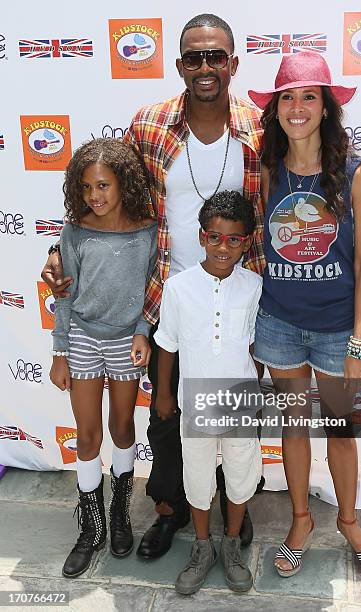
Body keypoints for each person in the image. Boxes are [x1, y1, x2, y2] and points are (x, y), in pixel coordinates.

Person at [42, 14, 264, 559]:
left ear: (232, 63)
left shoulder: (259, 128)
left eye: (216, 57)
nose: (206, 67)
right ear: (180, 65)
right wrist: (58, 248)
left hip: (238, 294)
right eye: (194, 57)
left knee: (229, 407)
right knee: (165, 414)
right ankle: (169, 511)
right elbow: (108, 192)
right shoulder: (149, 124)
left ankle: (236, 509)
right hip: (165, 295)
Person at [248, 51, 361, 576]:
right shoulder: (266, 169)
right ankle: (302, 519)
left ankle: (349, 522)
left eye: (309, 96)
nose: (298, 107)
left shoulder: (360, 173)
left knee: (342, 431)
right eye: (288, 97)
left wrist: (360, 340)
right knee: (294, 427)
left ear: (326, 106)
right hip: (279, 321)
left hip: (336, 331)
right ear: (277, 108)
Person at [49, 138, 156, 578]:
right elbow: (64, 295)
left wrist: (143, 333)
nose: (96, 196)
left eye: (104, 186)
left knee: (123, 426)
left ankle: (119, 513)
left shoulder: (148, 230)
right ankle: (90, 526)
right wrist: (59, 350)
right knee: (88, 434)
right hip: (82, 339)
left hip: (126, 341)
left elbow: (153, 288)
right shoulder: (73, 232)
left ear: (124, 184)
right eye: (87, 187)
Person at [154, 191, 262, 594]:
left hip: (239, 400)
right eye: (215, 237)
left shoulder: (254, 286)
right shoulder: (179, 287)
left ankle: (231, 544)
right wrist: (164, 395)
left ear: (246, 242)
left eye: (234, 239)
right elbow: (167, 344)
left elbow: (254, 347)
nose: (223, 246)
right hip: (195, 400)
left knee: (239, 477)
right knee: (198, 479)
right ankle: (203, 547)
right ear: (201, 237)